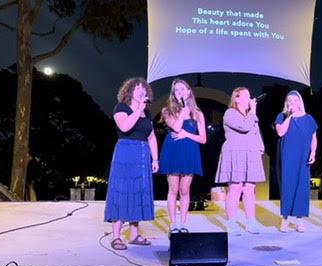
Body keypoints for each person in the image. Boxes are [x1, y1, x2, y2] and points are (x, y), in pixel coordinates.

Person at [104, 77, 159, 250]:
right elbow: (125, 127)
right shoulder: (121, 108)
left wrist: (155, 158)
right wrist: (138, 110)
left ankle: (135, 235)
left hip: (142, 155)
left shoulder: (147, 112)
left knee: (137, 191)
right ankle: (117, 237)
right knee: (122, 191)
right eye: (137, 88)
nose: (141, 90)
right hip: (126, 153)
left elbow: (151, 136)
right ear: (129, 91)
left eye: (144, 88)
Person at [215, 87, 265, 234]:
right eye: (245, 96)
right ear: (236, 98)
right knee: (235, 188)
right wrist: (253, 111)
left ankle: (251, 222)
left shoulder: (250, 114)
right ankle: (231, 223)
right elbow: (244, 126)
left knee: (250, 188)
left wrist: (260, 147)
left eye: (250, 96)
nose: (249, 99)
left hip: (250, 153)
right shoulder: (230, 113)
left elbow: (255, 131)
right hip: (235, 152)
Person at [158, 79, 206, 233]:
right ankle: (173, 224)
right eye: (176, 90)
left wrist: (187, 134)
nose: (180, 92)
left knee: (185, 190)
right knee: (173, 189)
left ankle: (183, 223)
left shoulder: (198, 113)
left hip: (189, 151)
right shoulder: (167, 111)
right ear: (174, 94)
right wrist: (183, 112)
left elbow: (203, 139)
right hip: (173, 150)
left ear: (188, 91)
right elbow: (177, 127)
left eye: (182, 89)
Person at [274, 90, 318, 233]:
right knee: (287, 184)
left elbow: (313, 138)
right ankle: (285, 219)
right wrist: (289, 116)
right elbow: (280, 132)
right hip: (287, 156)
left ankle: (299, 220)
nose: (292, 103)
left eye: (295, 100)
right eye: (289, 101)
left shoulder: (309, 118)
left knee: (302, 186)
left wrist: (313, 152)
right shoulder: (282, 116)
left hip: (302, 156)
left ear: (300, 102)